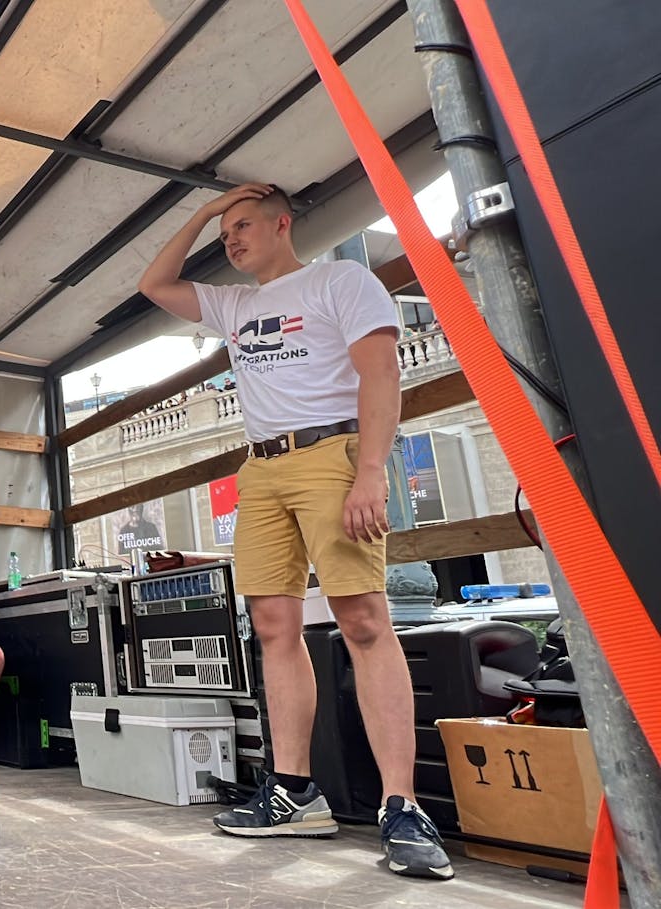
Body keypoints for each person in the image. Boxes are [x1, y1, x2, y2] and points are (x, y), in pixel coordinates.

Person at [138, 182, 450, 879]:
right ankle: (294, 790)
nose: (233, 239)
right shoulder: (235, 304)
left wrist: (372, 471)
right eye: (226, 234)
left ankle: (403, 805)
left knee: (364, 619)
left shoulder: (340, 279)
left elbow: (379, 375)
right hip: (263, 467)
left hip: (332, 453)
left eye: (244, 224)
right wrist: (202, 212)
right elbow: (154, 282)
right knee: (275, 626)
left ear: (283, 223)